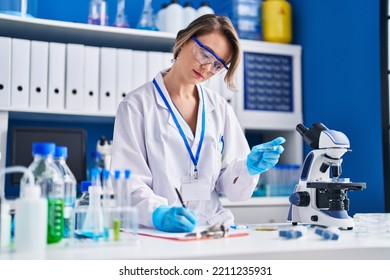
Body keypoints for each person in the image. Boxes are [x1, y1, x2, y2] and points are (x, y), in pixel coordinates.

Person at [110, 14, 285, 233]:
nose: (207, 68)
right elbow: (128, 181)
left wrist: (248, 168)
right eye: (205, 54)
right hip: (158, 232)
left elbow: (233, 191)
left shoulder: (219, 108)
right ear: (184, 40)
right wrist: (158, 213)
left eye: (218, 65)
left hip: (213, 230)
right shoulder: (137, 105)